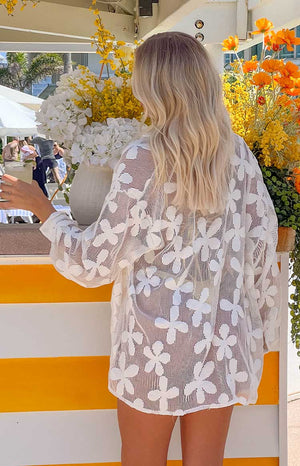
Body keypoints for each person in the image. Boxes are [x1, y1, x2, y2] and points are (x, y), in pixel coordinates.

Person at [0, 32, 280, 466]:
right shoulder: (238, 155)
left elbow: (95, 262)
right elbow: (262, 249)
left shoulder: (142, 158)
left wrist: (44, 210)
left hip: (156, 344)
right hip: (222, 337)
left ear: (152, 84)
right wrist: (255, 329)